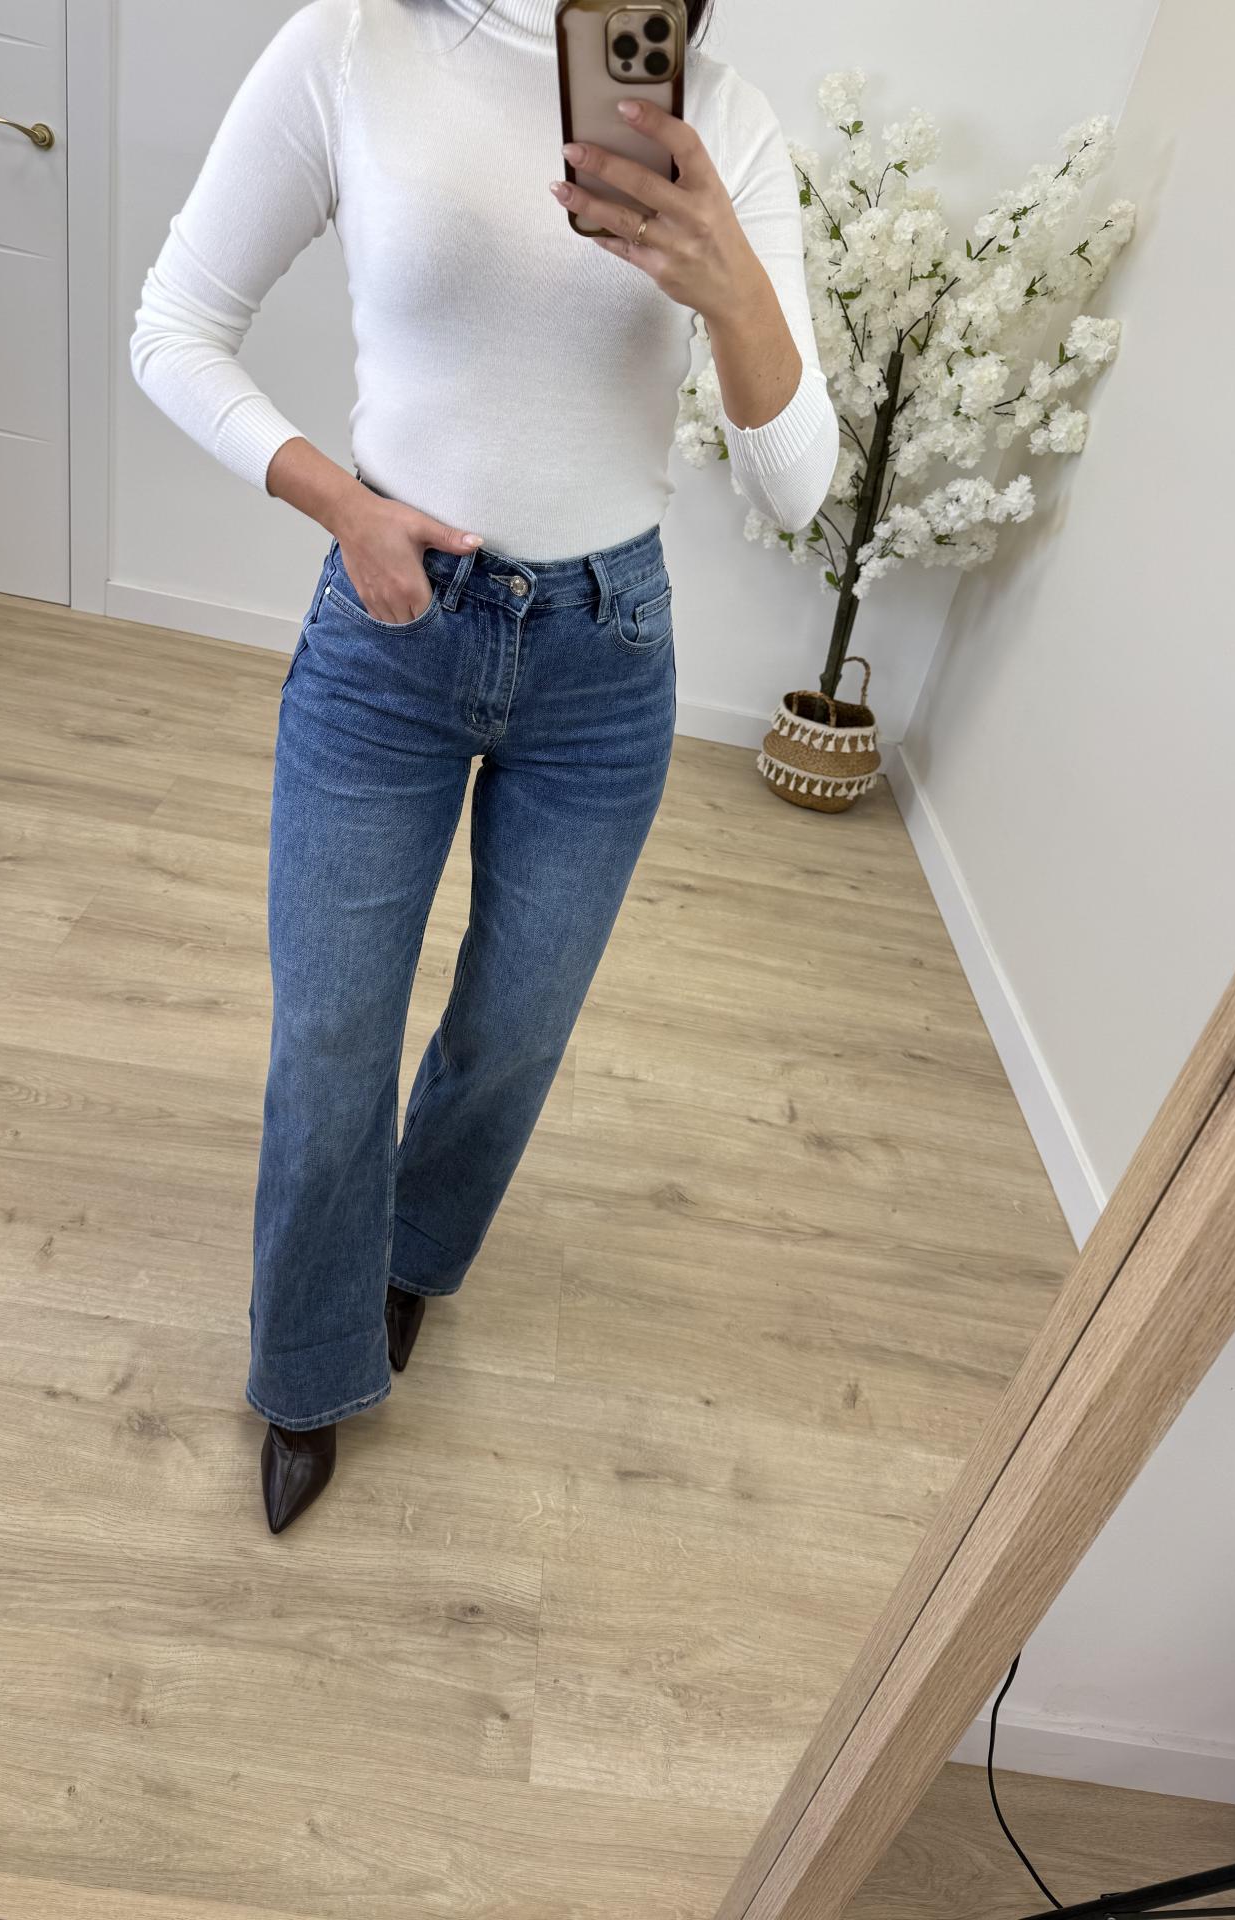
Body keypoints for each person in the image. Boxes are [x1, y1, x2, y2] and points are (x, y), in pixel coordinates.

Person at [129, 0, 838, 1534]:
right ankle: (306, 1364)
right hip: (392, 626)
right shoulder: (358, 44)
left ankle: (406, 1258)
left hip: (606, 652)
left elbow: (798, 490)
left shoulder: (724, 115)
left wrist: (728, 286)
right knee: (333, 1033)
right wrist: (342, 506)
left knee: (515, 1030)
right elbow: (171, 327)